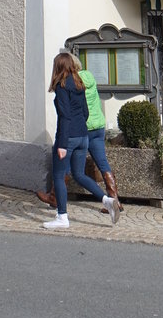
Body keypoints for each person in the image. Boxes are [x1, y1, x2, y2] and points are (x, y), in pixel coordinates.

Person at [42, 51, 120, 230]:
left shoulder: (62, 87)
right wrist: (80, 131)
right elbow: (85, 112)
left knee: (59, 176)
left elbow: (64, 117)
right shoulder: (79, 85)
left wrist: (62, 144)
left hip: (67, 138)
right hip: (83, 136)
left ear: (58, 67)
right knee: (79, 174)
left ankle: (62, 217)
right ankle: (107, 200)